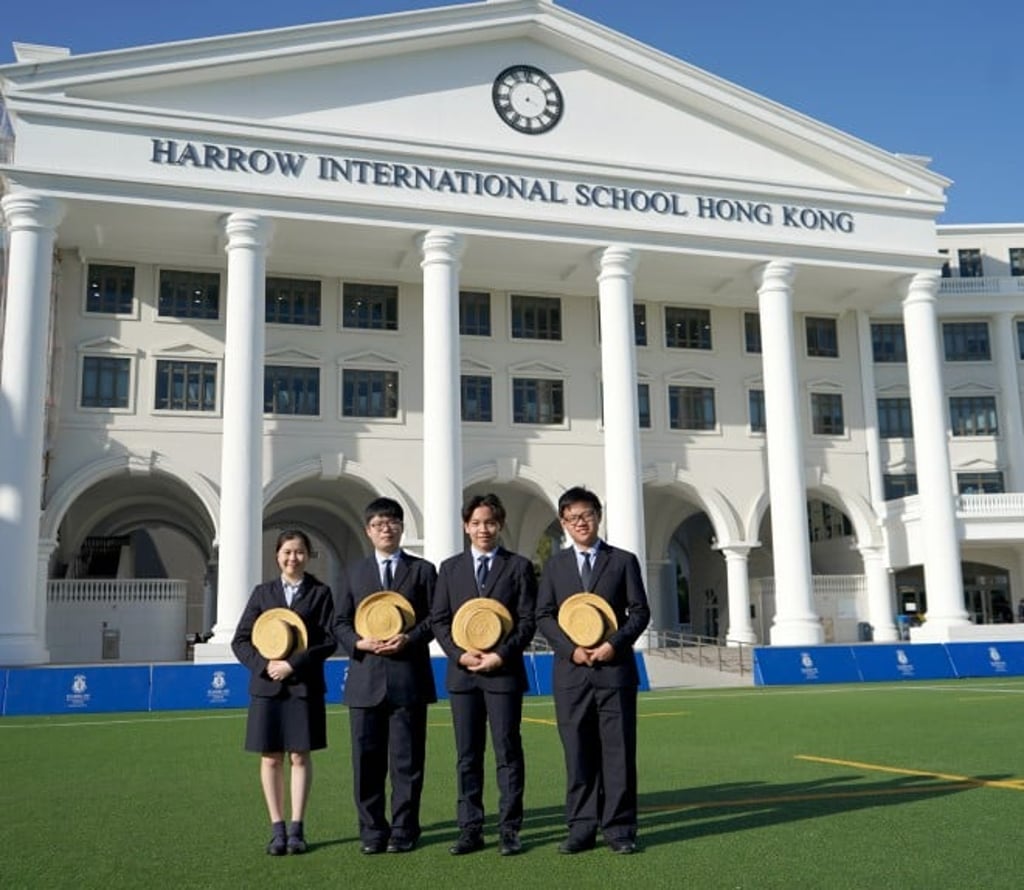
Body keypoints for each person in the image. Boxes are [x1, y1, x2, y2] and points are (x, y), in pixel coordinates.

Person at [536, 487, 650, 855]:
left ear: (598, 516)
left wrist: (612, 644)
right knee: (578, 752)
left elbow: (640, 612)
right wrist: (572, 650)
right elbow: (544, 615)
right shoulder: (554, 566)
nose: (579, 523)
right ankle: (581, 828)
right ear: (562, 523)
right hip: (571, 674)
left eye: (586, 515)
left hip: (614, 670)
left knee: (617, 753)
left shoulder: (623, 561)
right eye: (571, 518)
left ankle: (619, 829)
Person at [431, 493, 537, 857]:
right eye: (475, 523)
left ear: (500, 525)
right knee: (467, 755)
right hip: (463, 677)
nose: (483, 529)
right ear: (465, 527)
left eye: (489, 522)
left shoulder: (519, 567)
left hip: (503, 674)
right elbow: (439, 620)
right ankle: (470, 828)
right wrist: (460, 655)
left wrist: (500, 655)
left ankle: (510, 828)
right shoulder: (450, 568)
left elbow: (527, 621)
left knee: (508, 751)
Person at [335, 497, 437, 854]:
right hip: (365, 680)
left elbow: (435, 620)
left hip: (408, 677)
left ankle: (405, 829)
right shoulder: (354, 573)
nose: (386, 529)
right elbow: (340, 623)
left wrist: (409, 637)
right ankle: (372, 830)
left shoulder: (423, 571)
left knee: (407, 762)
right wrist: (358, 643)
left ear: (401, 527)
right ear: (368, 530)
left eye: (392, 522)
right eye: (378, 524)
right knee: (366, 762)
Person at [231, 529, 338, 856]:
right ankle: (276, 829)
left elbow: (329, 640)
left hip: (303, 686)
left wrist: (292, 664)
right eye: (287, 552)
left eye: (300, 552)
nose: (293, 558)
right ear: (277, 556)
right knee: (271, 757)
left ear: (308, 555)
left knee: (299, 756)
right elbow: (241, 640)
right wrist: (266, 665)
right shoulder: (262, 594)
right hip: (267, 688)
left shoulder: (321, 593)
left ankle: (297, 828)